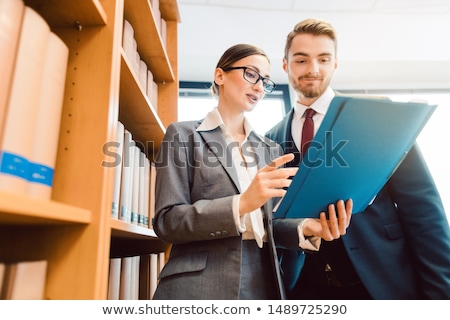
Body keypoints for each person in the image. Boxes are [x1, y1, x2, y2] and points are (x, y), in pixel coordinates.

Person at [266, 18, 450, 299]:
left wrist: (441, 297)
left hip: (382, 281)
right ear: (285, 65)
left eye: (323, 59)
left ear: (335, 64)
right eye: (301, 60)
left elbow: (422, 208)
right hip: (305, 289)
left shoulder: (378, 116)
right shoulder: (269, 139)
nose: (313, 69)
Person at [152, 43, 353, 300]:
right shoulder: (183, 135)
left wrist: (305, 228)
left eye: (266, 81)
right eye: (251, 74)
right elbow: (167, 221)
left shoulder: (271, 149)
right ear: (220, 76)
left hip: (264, 281)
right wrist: (243, 203)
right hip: (199, 285)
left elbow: (269, 226)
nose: (259, 87)